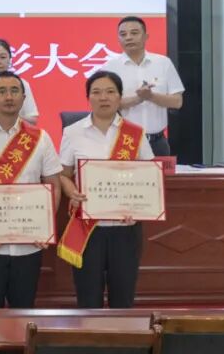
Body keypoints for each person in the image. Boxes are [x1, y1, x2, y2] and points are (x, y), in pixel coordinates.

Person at [0, 70, 62, 308]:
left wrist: (44, 228)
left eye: (15, 91)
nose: (9, 97)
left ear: (24, 98)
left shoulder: (41, 138)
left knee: (24, 311)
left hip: (29, 245)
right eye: (2, 91)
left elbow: (54, 186)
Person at [57, 70, 153, 309]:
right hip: (88, 228)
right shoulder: (73, 132)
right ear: (88, 97)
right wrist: (71, 192)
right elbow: (63, 175)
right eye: (96, 92)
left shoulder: (135, 133)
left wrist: (140, 207)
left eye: (110, 92)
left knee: (123, 298)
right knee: (88, 298)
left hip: (126, 228)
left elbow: (149, 177)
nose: (103, 97)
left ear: (120, 97)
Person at [104, 16, 185, 156]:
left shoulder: (163, 63)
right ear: (118, 39)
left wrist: (151, 96)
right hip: (125, 141)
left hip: (157, 142)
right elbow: (108, 105)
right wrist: (138, 99)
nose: (128, 37)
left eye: (134, 33)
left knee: (160, 172)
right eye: (123, 34)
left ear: (146, 36)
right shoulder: (110, 67)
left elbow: (177, 102)